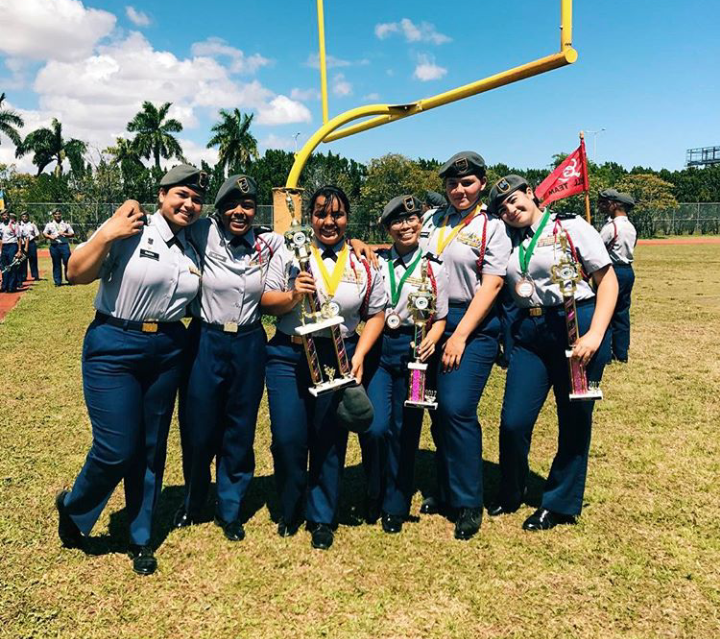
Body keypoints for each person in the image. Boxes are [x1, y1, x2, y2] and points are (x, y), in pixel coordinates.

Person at [54, 165, 206, 575]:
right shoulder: (130, 226)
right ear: (161, 194)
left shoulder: (194, 243)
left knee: (152, 447)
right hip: (115, 344)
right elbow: (75, 273)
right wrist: (106, 234)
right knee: (116, 448)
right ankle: (74, 509)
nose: (189, 204)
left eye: (196, 199)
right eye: (181, 195)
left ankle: (140, 537)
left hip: (168, 348)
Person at [486, 174, 618, 531]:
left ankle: (559, 503)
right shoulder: (505, 240)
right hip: (530, 333)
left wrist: (595, 334)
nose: (511, 210)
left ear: (531, 194)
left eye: (515, 200)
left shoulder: (571, 227)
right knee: (513, 420)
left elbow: (607, 280)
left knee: (574, 420)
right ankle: (511, 489)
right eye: (503, 208)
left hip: (576, 327)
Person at [261, 185, 387, 550]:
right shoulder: (289, 251)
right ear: (309, 217)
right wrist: (291, 296)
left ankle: (321, 517)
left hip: (338, 355)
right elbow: (266, 301)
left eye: (337, 214)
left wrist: (360, 355)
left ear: (348, 217)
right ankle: (290, 506)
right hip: (288, 355)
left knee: (329, 439)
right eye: (320, 213)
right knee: (288, 439)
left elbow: (376, 313)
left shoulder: (363, 261)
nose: (328, 221)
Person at [174, 175, 285, 543]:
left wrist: (362, 245)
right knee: (198, 427)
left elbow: (312, 246)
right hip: (206, 338)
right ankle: (193, 500)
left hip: (250, 342)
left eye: (248, 205)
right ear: (219, 209)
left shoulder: (269, 243)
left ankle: (231, 506)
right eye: (232, 205)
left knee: (240, 427)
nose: (240, 211)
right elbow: (166, 219)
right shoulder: (201, 232)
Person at [418, 151, 511, 540]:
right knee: (436, 411)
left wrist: (459, 335)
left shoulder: (493, 227)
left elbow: (492, 285)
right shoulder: (433, 220)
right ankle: (444, 490)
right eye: (453, 183)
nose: (459, 190)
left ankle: (469, 501)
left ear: (482, 185)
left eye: (467, 182)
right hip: (428, 320)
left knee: (457, 409)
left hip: (470, 323)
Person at [365, 195, 448, 534]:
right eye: (397, 221)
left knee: (405, 430)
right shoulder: (375, 262)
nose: (406, 226)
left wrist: (434, 337)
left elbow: (441, 316)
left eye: (412, 220)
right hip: (379, 348)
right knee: (374, 425)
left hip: (415, 353)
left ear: (420, 224)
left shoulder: (434, 266)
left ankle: (395, 504)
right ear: (387, 228)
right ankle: (374, 488)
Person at [599, 188, 637, 363]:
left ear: (615, 205)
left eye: (604, 203)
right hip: (628, 270)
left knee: (605, 311)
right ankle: (621, 353)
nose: (601, 206)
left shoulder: (611, 227)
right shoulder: (630, 227)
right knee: (622, 312)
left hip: (612, 271)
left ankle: (605, 353)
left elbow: (598, 249)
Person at [43, 209, 74, 286]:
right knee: (56, 263)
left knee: (67, 262)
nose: (58, 215)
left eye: (59, 214)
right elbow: (44, 233)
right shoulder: (49, 225)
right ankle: (58, 281)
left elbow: (72, 234)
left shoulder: (65, 224)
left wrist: (64, 234)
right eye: (56, 214)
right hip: (54, 246)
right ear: (53, 215)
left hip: (64, 245)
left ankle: (69, 279)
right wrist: (50, 237)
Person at [0, 210, 23, 292]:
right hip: (4, 247)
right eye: (3, 215)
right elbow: (1, 239)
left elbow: (19, 238)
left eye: (6, 215)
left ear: (8, 216)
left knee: (12, 266)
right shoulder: (1, 225)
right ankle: (4, 285)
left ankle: (11, 286)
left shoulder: (14, 225)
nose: (5, 217)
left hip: (12, 246)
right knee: (4, 267)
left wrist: (19, 250)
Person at [19, 212, 40, 282]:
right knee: (23, 260)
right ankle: (23, 276)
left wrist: (33, 237)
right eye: (23, 216)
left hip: (31, 243)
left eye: (26, 216)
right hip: (22, 244)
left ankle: (35, 275)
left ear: (28, 217)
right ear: (21, 217)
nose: (24, 218)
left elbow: (37, 235)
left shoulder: (32, 225)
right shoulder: (19, 226)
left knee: (33, 260)